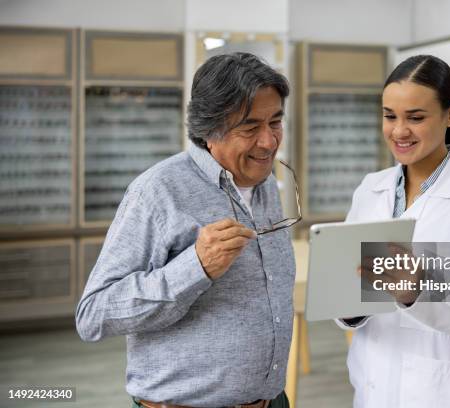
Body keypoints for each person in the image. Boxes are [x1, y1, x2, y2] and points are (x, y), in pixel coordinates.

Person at [76, 52, 295, 408]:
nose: (269, 141)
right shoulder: (158, 190)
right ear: (210, 128)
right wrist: (195, 267)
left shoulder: (266, 185)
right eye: (250, 127)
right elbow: (93, 316)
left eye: (275, 122)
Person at [336, 55, 450, 408]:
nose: (399, 131)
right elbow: (352, 293)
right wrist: (347, 306)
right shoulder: (369, 189)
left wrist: (418, 291)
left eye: (416, 117)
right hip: (373, 385)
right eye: (389, 115)